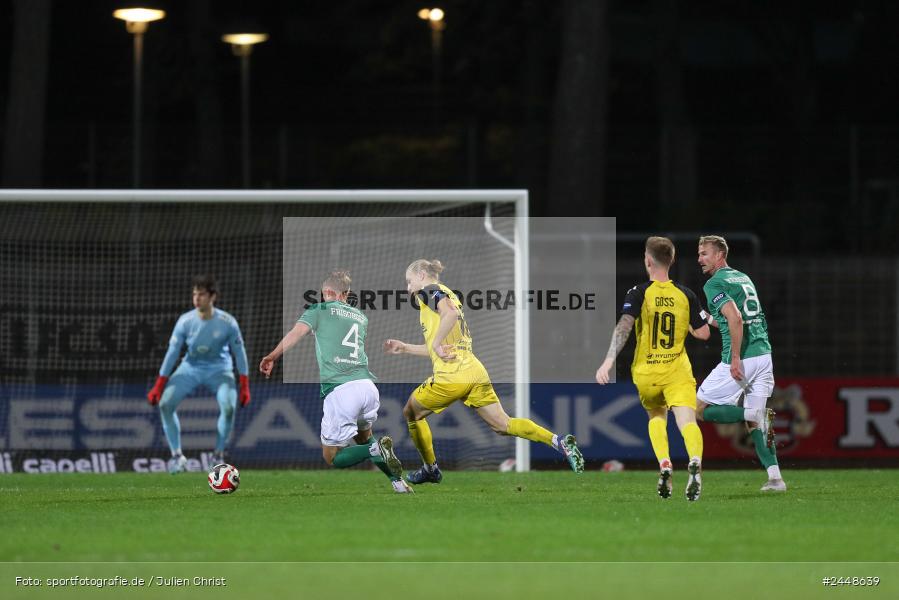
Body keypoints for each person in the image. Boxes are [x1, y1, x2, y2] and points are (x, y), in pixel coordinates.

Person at [383, 259, 584, 485]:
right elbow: (441, 345)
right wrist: (406, 347)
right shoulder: (449, 293)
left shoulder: (429, 291)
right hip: (474, 370)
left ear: (421, 275)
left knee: (411, 413)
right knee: (502, 424)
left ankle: (430, 468)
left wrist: (438, 344)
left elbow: (449, 316)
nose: (408, 288)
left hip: (452, 376)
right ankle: (559, 442)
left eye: (409, 282)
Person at [259, 270, 412, 494]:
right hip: (368, 388)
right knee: (364, 438)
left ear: (327, 292)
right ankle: (399, 483)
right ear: (346, 293)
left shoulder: (318, 310)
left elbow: (296, 333)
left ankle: (377, 449)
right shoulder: (361, 316)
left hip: (342, 391)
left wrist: (272, 355)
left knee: (333, 456)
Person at [595, 237, 710, 501]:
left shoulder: (638, 292)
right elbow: (703, 334)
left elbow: (624, 325)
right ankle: (694, 460)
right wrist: (690, 324)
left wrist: (608, 361)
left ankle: (665, 464)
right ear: (672, 261)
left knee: (657, 417)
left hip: (647, 372)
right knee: (687, 421)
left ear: (648, 261)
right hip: (677, 371)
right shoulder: (685, 294)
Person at [696, 235, 785, 492]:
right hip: (763, 354)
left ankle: (750, 412)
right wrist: (704, 317)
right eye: (699, 253)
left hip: (741, 357)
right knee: (757, 424)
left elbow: (734, 318)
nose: (700, 259)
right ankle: (775, 478)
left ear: (720, 255)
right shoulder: (743, 277)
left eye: (704, 253)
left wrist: (735, 358)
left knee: (697, 408)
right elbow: (734, 319)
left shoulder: (715, 283)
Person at [147, 275, 250, 474]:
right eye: (195, 294)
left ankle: (218, 456)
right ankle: (178, 457)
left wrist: (244, 384)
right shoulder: (185, 321)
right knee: (165, 404)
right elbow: (173, 353)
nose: (196, 298)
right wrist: (159, 384)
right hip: (190, 368)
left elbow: (240, 353)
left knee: (229, 408)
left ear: (213, 297)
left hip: (220, 369)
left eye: (201, 294)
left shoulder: (227, 322)